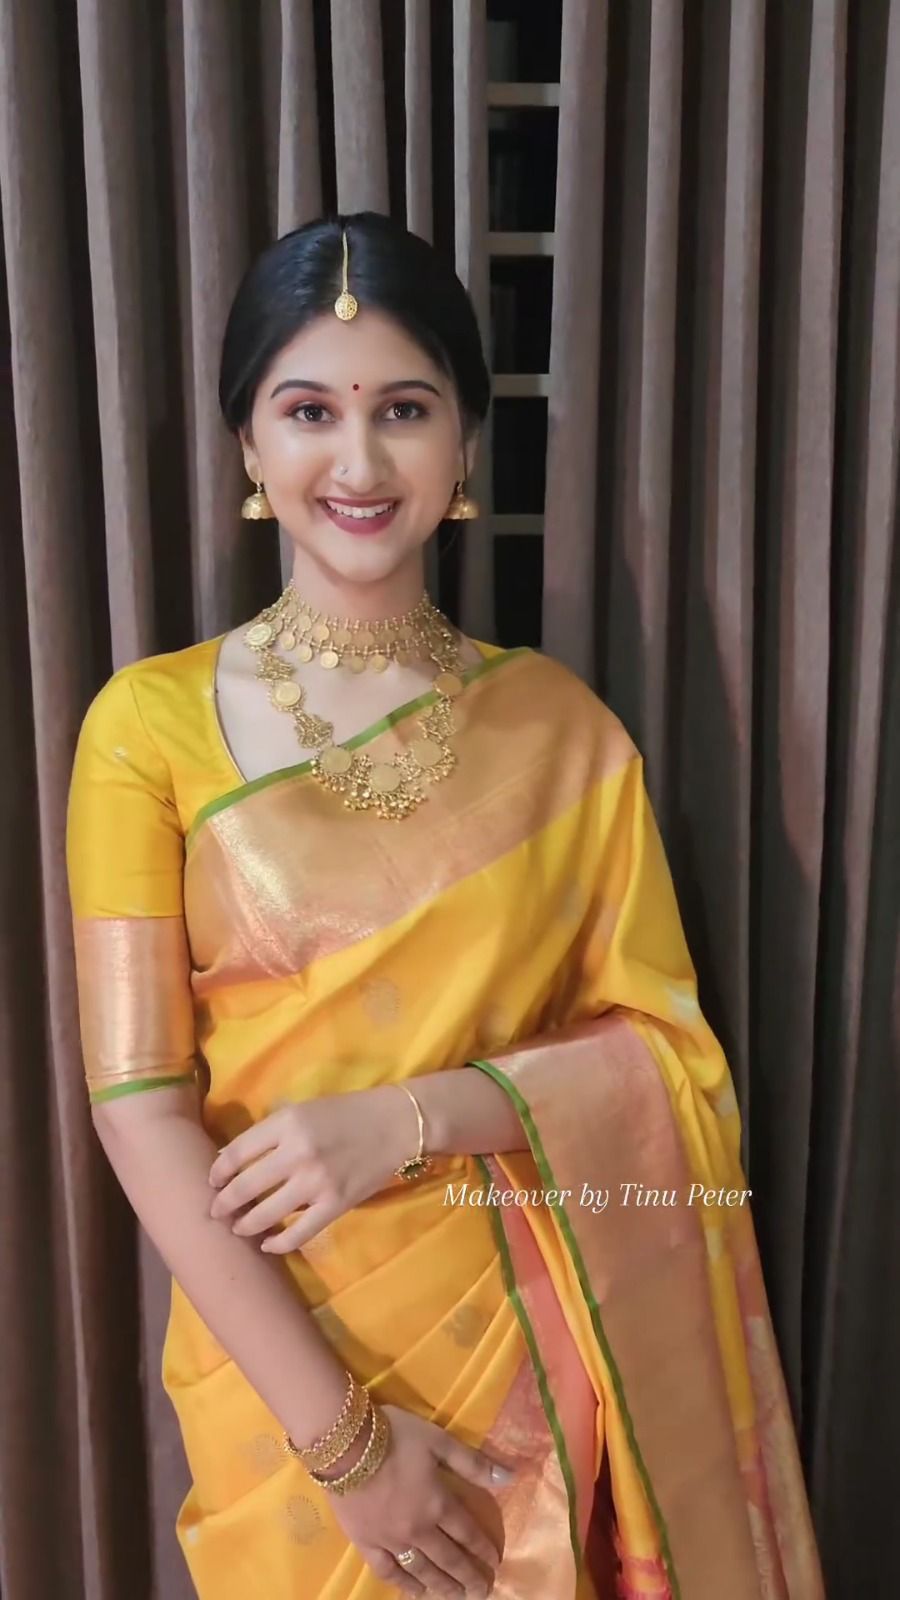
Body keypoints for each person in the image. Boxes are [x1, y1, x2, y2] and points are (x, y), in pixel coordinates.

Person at [66, 212, 824, 1599]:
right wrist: (345, 1444)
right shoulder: (145, 728)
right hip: (281, 1378)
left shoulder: (563, 734)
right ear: (250, 445)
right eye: (310, 411)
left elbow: (674, 1071)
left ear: (464, 442)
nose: (359, 463)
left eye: (404, 410)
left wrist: (403, 1120)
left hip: (533, 1360)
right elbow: (138, 1108)